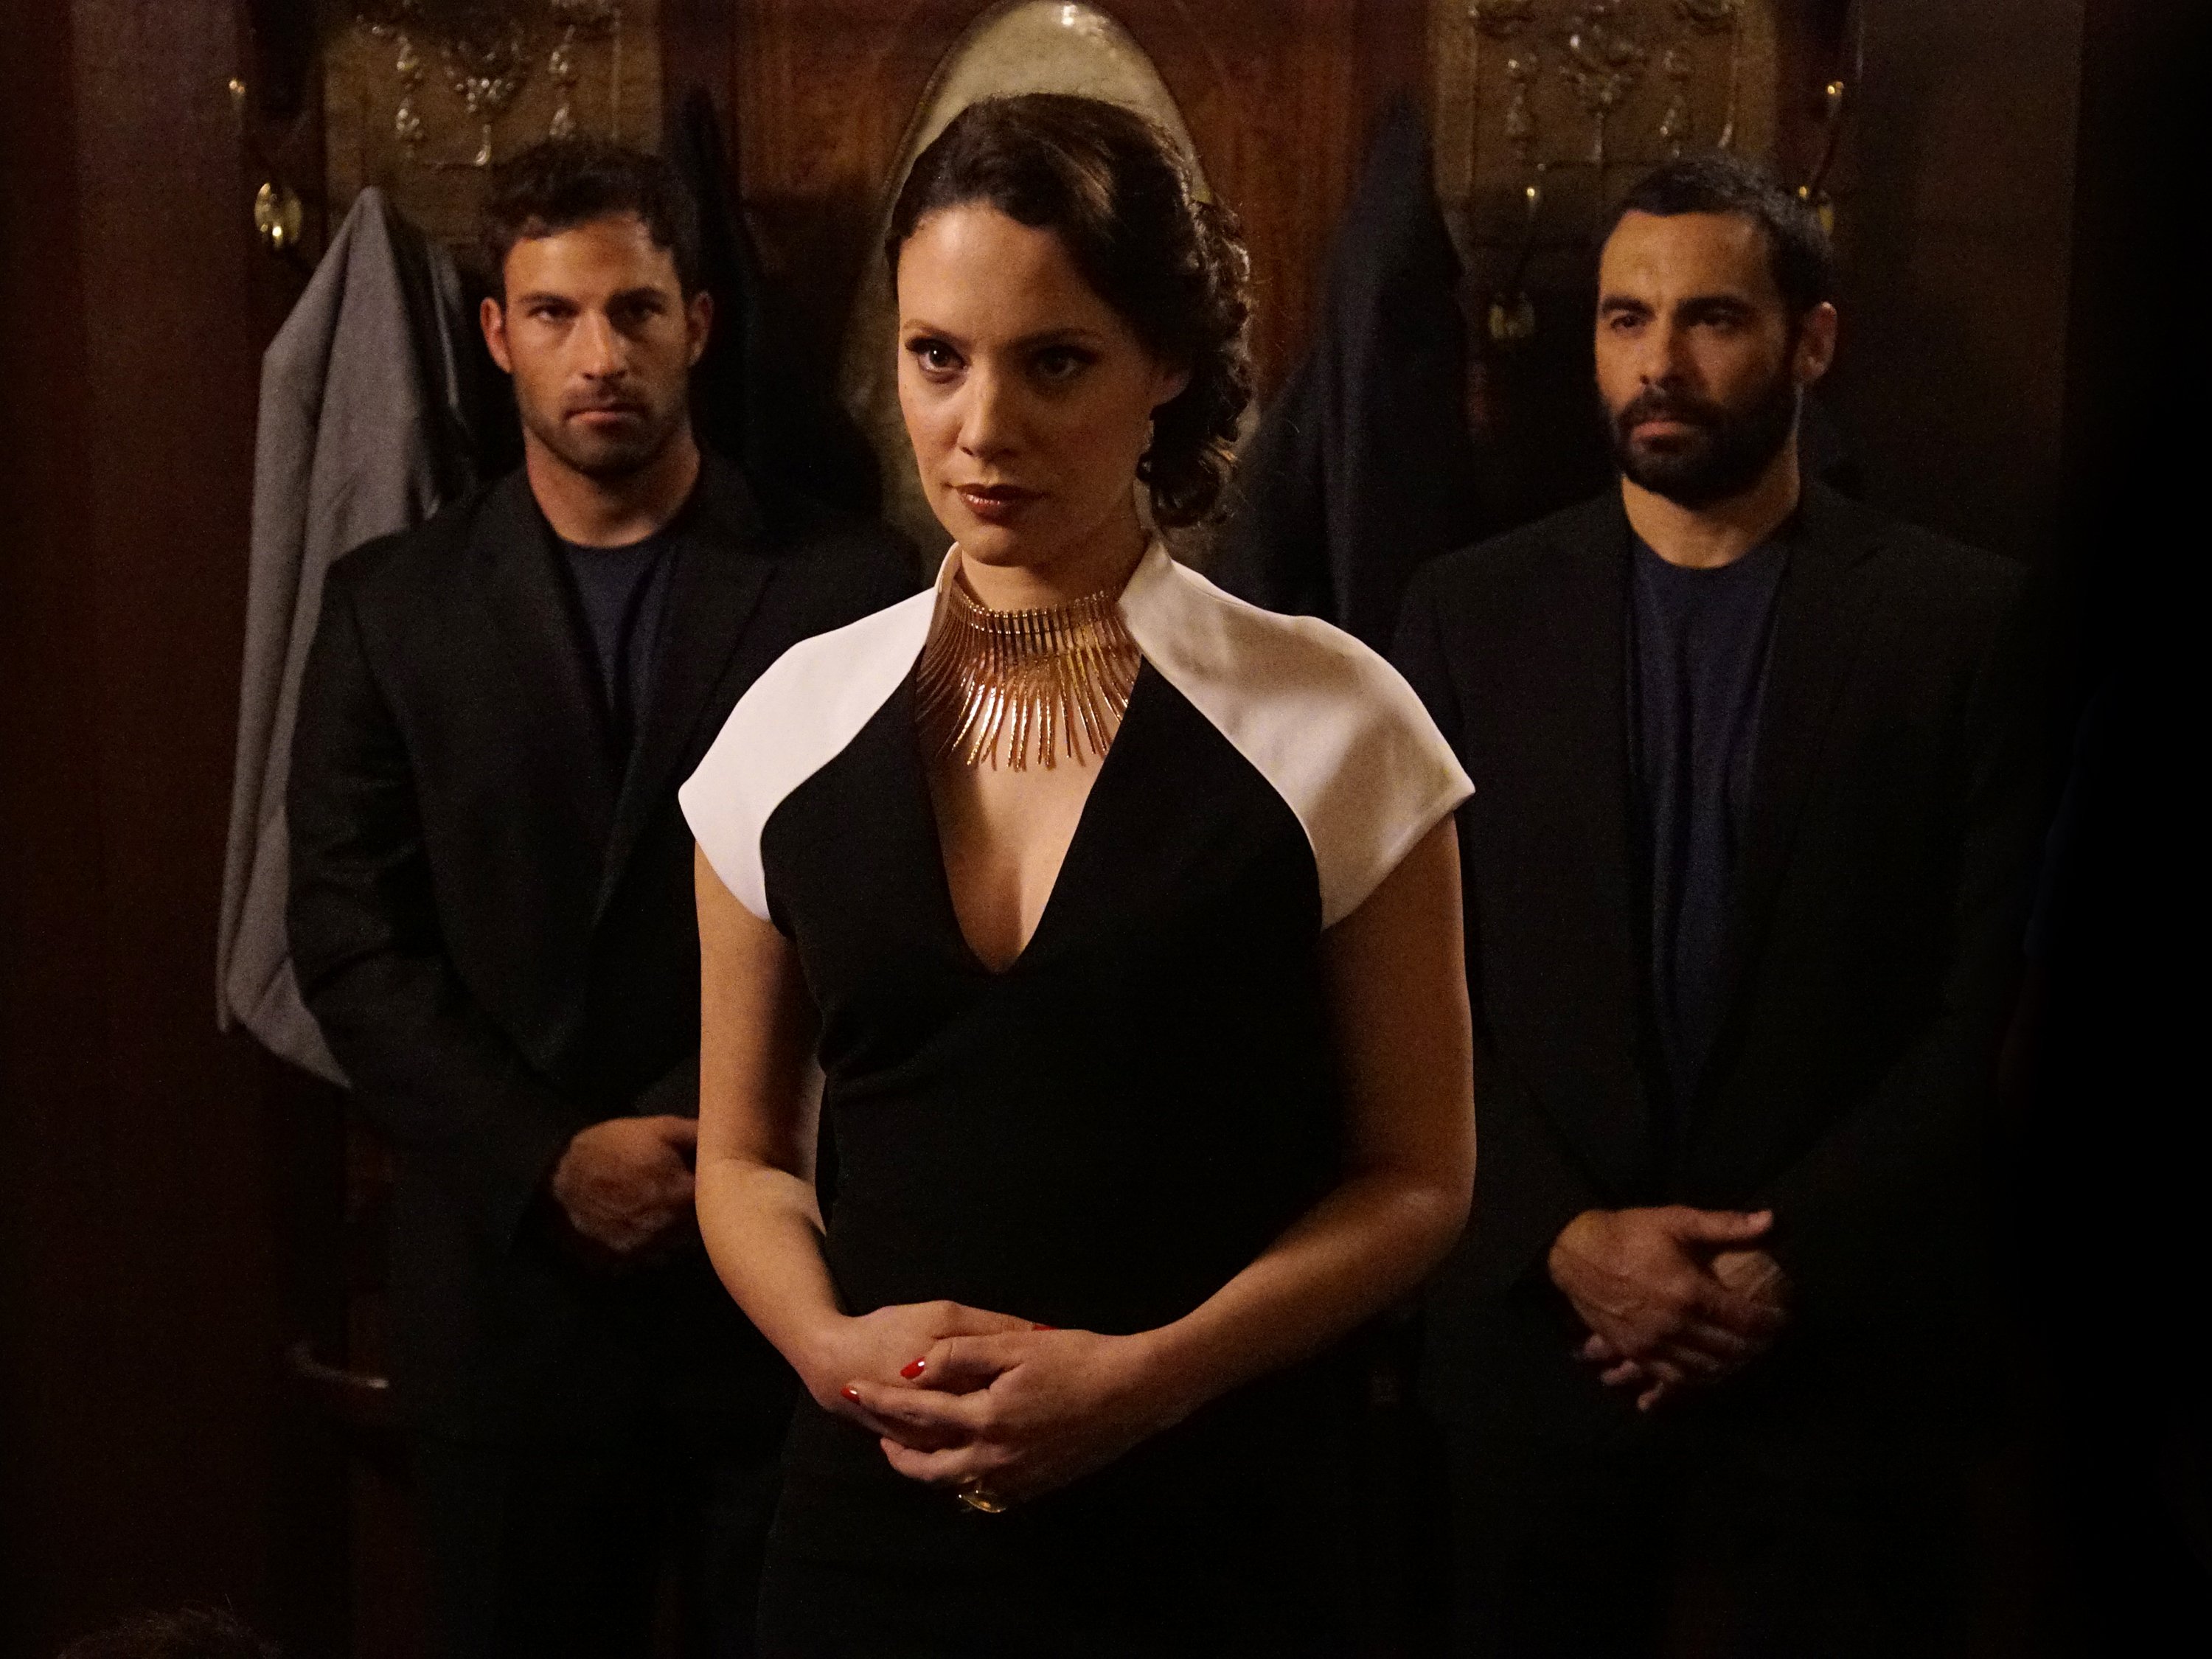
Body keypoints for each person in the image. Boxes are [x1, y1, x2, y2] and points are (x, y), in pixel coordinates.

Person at [678, 94, 1477, 1655]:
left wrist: (1152, 1378)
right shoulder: (790, 721)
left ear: (1164, 364)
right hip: (871, 1530)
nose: (982, 428)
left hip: (1220, 1524)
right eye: (938, 357)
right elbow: (747, 1160)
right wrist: (832, 1351)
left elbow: (1419, 1178)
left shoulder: (1335, 722)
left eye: (1053, 362)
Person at [1394, 153, 2039, 1657]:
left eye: (1712, 319)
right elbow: (1411, 982)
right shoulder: (1467, 614)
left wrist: (1783, 1254)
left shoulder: (1960, 624)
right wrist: (1561, 1235)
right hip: (1537, 1350)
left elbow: (1987, 1003)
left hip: (1838, 1360)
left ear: (1813, 342)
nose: (1660, 364)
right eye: (1626, 319)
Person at [286, 139, 914, 1657]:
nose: (599, 355)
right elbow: (350, 940)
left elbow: (888, 909)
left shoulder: (848, 586)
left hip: (779, 1279)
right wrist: (549, 1156)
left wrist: (711, 1138)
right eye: (555, 314)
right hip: (511, 1298)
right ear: (498, 334)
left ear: (696, 322)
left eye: (633, 310)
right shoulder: (391, 604)